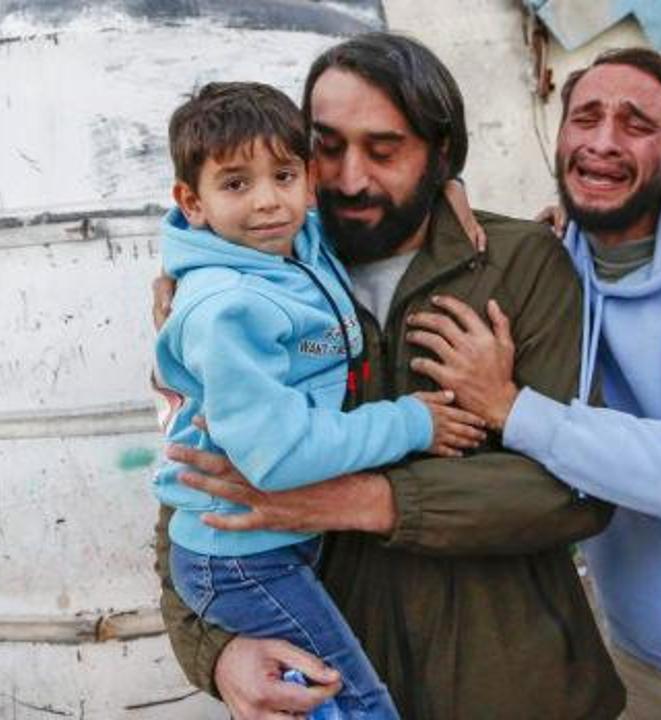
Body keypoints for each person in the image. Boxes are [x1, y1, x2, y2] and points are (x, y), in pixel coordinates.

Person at [152, 33, 624, 719]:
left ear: (440, 153)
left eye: (384, 150)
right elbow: (188, 489)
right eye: (327, 147)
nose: (348, 180)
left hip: (516, 692)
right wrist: (217, 656)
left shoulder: (519, 264)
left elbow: (581, 492)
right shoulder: (243, 285)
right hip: (335, 684)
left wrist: (363, 500)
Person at [404, 48, 661, 718]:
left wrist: (514, 409)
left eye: (636, 125)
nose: (603, 141)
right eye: (585, 118)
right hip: (627, 652)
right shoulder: (555, 256)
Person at [154, 80, 492, 719]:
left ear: (309, 182)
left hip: (271, 544)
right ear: (191, 202)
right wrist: (412, 422)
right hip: (239, 558)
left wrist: (448, 189)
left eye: (283, 176)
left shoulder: (297, 245)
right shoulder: (226, 310)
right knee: (357, 704)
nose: (266, 201)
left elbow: (389, 201)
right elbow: (279, 458)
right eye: (235, 184)